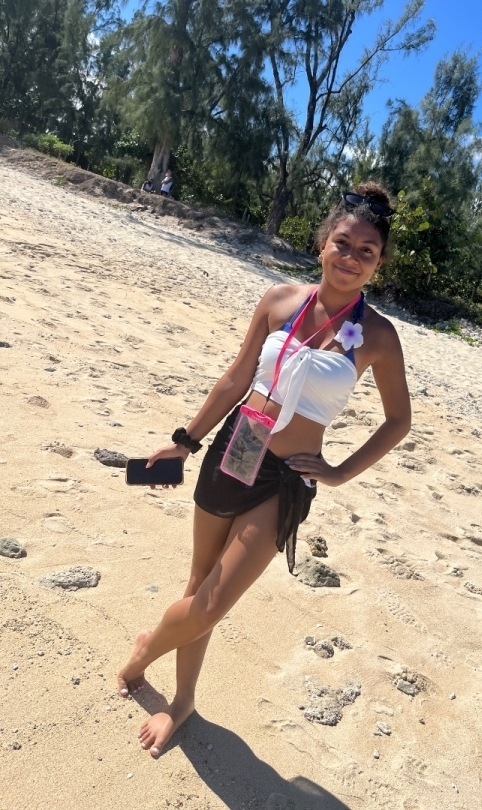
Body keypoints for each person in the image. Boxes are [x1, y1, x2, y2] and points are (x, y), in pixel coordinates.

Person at [117, 181, 412, 757]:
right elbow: (236, 379)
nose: (350, 258)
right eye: (343, 243)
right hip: (238, 446)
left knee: (212, 603)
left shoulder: (378, 336)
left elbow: (398, 420)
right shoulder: (279, 299)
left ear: (378, 264)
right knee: (199, 581)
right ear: (323, 242)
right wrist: (185, 442)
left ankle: (146, 649)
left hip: (289, 477)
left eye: (366, 251)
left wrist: (339, 471)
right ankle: (183, 700)